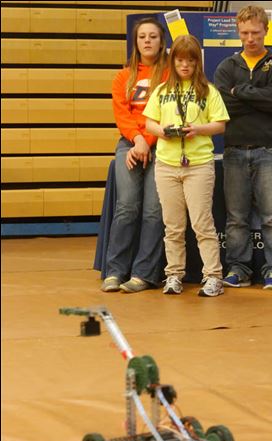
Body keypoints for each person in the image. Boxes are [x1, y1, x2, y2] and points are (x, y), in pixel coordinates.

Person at [143, 34, 230, 296]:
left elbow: (220, 125)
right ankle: (173, 275)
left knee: (203, 224)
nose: (184, 65)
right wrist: (163, 131)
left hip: (199, 165)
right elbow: (148, 123)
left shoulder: (208, 91)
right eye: (180, 60)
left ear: (197, 63)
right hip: (167, 165)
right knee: (173, 226)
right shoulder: (161, 91)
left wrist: (198, 129)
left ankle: (213, 276)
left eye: (190, 61)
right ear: (173, 61)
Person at [214, 5, 272, 290]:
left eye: (255, 33)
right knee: (236, 217)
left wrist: (240, 92)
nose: (250, 38)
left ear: (266, 31)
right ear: (238, 32)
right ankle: (239, 268)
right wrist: (254, 98)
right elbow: (224, 105)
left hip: (269, 150)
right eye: (245, 33)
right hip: (234, 149)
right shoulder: (226, 67)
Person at [99, 18, 168, 293]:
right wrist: (137, 141)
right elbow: (122, 114)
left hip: (161, 145)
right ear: (136, 42)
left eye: (153, 36)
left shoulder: (169, 76)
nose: (148, 41)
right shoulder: (122, 77)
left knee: (154, 211)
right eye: (142, 37)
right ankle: (115, 271)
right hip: (130, 143)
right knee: (127, 207)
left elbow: (167, 113)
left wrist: (148, 141)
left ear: (162, 41)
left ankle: (144, 273)